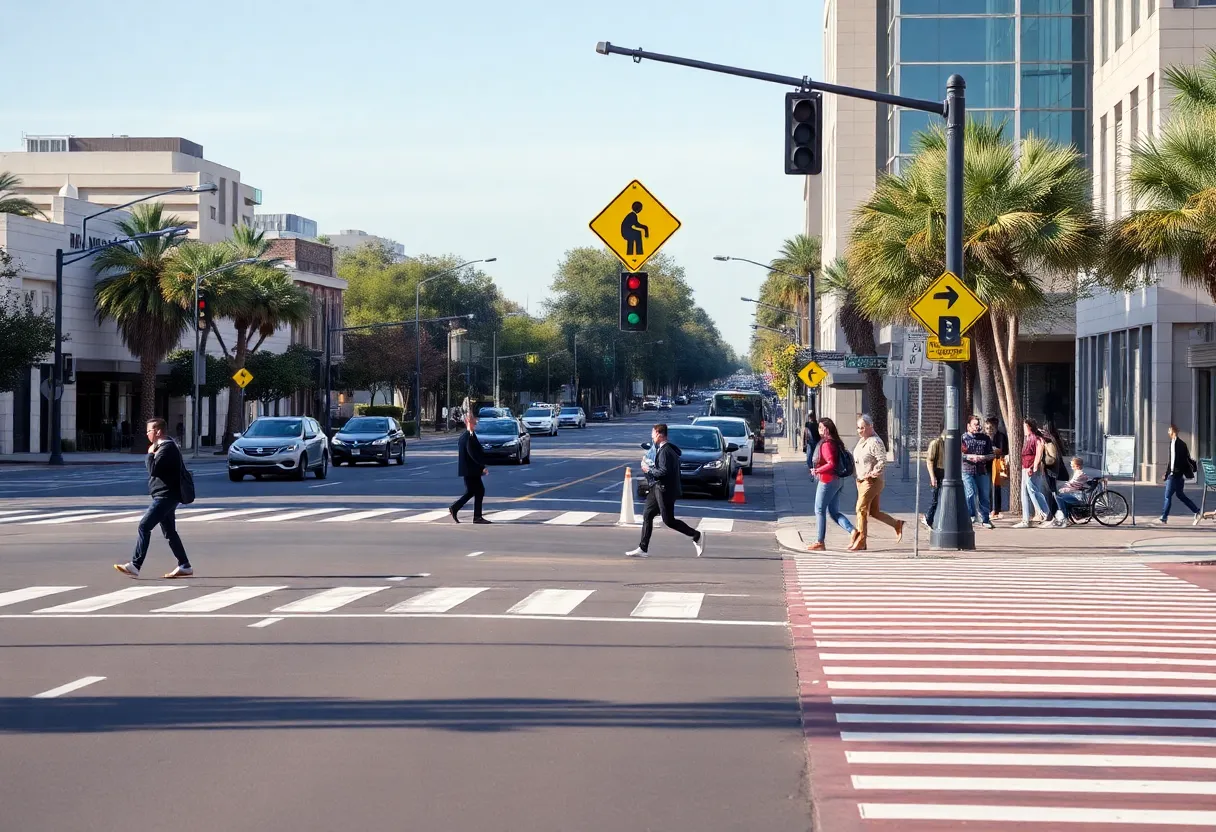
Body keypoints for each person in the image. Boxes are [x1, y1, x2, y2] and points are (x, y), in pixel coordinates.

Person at [114, 418, 193, 579]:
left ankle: (135, 565)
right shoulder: (166, 447)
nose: (147, 434)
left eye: (149, 431)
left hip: (165, 496)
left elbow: (153, 470)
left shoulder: (167, 448)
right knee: (170, 532)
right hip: (167, 495)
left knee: (144, 526)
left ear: (158, 431)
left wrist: (150, 454)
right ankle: (184, 565)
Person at [626, 423, 706, 558]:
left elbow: (664, 472)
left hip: (664, 490)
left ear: (659, 434)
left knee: (668, 520)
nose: (652, 437)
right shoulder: (664, 450)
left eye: (653, 434)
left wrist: (648, 470)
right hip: (657, 488)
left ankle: (696, 535)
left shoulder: (665, 451)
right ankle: (643, 548)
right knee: (647, 515)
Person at [849, 414, 904, 551]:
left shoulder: (875, 442)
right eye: (858, 428)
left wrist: (873, 473)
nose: (860, 431)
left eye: (862, 428)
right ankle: (896, 524)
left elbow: (882, 460)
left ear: (870, 426)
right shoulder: (863, 440)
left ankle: (861, 540)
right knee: (873, 511)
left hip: (871, 481)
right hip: (861, 480)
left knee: (860, 508)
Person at [807, 417, 855, 550]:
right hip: (837, 480)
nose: (819, 430)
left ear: (826, 429)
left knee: (819, 510)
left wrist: (817, 470)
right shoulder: (836, 442)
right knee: (833, 511)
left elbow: (831, 463)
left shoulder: (827, 444)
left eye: (821, 427)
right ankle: (853, 531)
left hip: (827, 480)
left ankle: (819, 541)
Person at [449, 412, 491, 524]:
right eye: (473, 422)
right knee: (479, 491)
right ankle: (476, 516)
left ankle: (456, 508)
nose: (475, 423)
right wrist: (481, 467)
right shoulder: (468, 437)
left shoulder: (467, 435)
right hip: (471, 470)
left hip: (470, 470)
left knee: (473, 491)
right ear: (468, 422)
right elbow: (472, 453)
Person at [1158, 423, 1200, 525]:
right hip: (1175, 475)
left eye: (1169, 430)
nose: (1168, 432)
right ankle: (1197, 511)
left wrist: (1174, 473)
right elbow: (1171, 461)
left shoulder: (1180, 444)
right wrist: (1167, 473)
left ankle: (1164, 516)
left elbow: (1182, 460)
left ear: (1172, 431)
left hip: (1175, 475)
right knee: (1181, 496)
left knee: (1167, 496)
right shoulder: (1172, 443)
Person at [1013, 418, 1052, 528]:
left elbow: (1038, 454)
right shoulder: (1028, 438)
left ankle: (1046, 513)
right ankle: (1026, 520)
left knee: (1033, 490)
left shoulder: (1036, 438)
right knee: (1024, 493)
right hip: (1025, 468)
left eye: (1025, 426)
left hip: (1032, 469)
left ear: (1029, 427)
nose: (1023, 428)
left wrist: (1032, 467)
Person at [961, 415, 996, 529]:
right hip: (967, 469)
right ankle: (971, 515)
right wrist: (968, 457)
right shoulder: (963, 438)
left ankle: (985, 519)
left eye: (978, 424)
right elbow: (959, 454)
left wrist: (983, 457)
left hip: (982, 470)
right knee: (970, 493)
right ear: (968, 426)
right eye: (975, 424)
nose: (977, 427)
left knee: (984, 495)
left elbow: (991, 454)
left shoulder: (985, 438)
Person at [1053, 457, 1091, 523]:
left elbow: (1073, 483)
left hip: (1075, 494)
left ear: (1077, 466)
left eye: (1072, 465)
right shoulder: (1078, 473)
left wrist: (1065, 485)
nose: (1071, 466)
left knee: (1058, 497)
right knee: (1061, 497)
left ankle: (1064, 517)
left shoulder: (1079, 474)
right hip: (1074, 492)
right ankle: (1065, 516)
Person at [922, 427, 945, 529]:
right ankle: (928, 519)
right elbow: (929, 461)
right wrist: (932, 477)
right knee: (935, 499)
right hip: (938, 473)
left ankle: (936, 519)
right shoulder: (936, 443)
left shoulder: (953, 443)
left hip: (947, 474)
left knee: (943, 499)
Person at [986, 416, 1008, 519]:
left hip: (997, 463)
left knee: (996, 487)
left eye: (991, 427)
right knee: (988, 488)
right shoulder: (984, 437)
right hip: (987, 464)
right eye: (987, 428)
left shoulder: (1000, 436)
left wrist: (993, 450)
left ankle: (996, 509)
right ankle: (991, 509)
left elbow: (1002, 450)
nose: (989, 430)